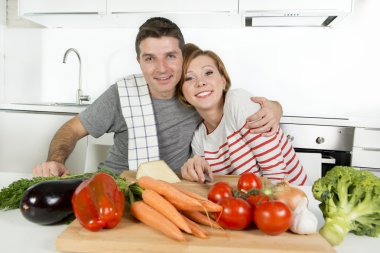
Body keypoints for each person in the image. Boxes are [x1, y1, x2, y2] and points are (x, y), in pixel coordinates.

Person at [32, 17, 283, 177]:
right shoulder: (122, 94)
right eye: (150, 58)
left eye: (170, 56)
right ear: (139, 61)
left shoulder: (195, 95)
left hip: (171, 193)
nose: (162, 68)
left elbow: (231, 103)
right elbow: (72, 128)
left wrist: (275, 107)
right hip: (114, 186)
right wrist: (54, 161)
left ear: (182, 58)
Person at [179, 43, 307, 185]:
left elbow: (276, 176)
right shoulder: (199, 138)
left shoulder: (237, 101)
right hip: (250, 200)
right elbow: (208, 184)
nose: (201, 82)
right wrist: (192, 172)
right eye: (189, 78)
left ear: (223, 80)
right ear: (183, 95)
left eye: (208, 73)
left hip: (292, 196)